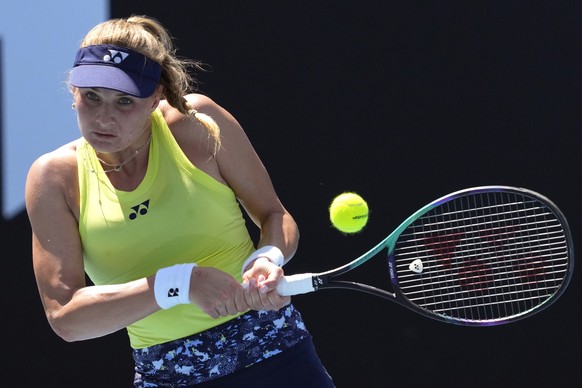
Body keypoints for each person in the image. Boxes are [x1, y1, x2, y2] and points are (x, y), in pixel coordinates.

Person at [25, 15, 334, 387]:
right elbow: (66, 318)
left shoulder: (198, 123)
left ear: (156, 98)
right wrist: (177, 283)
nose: (104, 117)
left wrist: (267, 258)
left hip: (276, 355)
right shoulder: (53, 178)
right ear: (73, 93)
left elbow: (274, 215)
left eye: (125, 101)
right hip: (167, 376)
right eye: (92, 97)